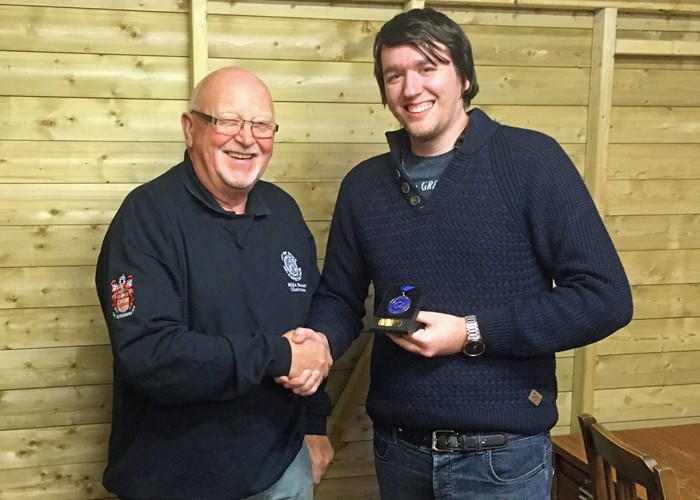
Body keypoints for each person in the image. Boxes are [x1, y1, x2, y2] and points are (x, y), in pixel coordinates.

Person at [289, 8, 633, 499]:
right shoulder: (364, 186)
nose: (411, 88)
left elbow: (606, 298)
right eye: (395, 75)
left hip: (502, 460)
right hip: (397, 452)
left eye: (428, 67)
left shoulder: (531, 162)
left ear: (464, 77)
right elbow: (341, 298)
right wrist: (319, 342)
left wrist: (471, 332)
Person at [95, 66, 334, 500]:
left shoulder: (284, 213)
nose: (247, 138)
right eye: (227, 121)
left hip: (282, 471)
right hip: (177, 481)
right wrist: (276, 356)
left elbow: (310, 327)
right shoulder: (147, 218)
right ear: (190, 129)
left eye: (261, 125)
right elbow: (150, 354)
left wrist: (315, 423)